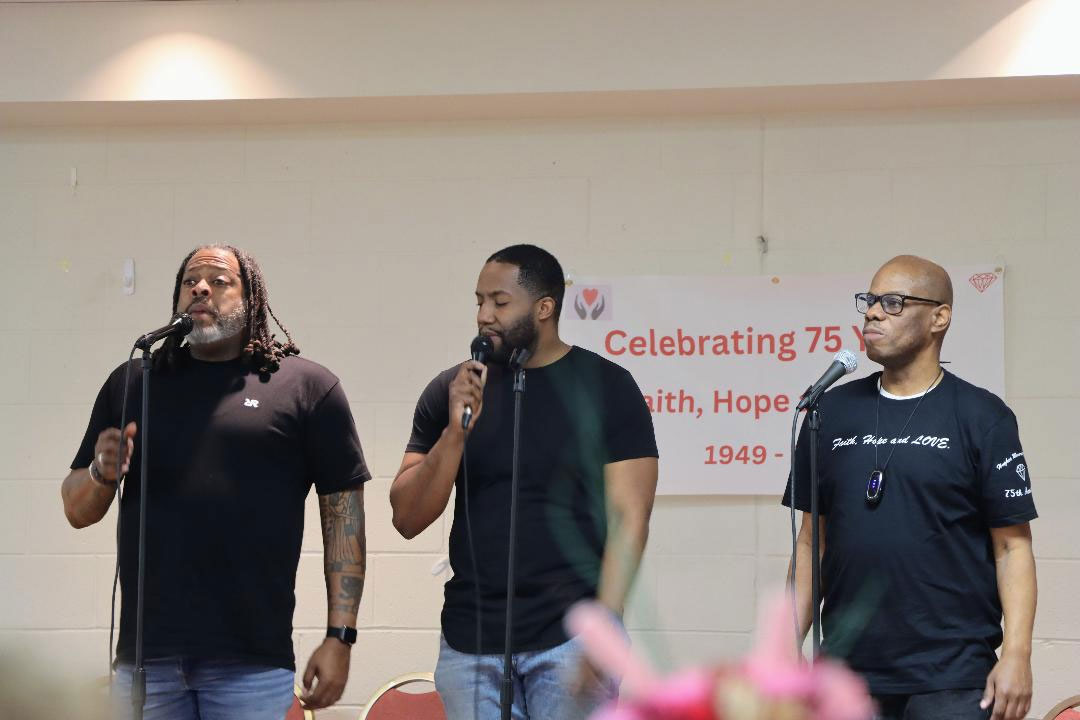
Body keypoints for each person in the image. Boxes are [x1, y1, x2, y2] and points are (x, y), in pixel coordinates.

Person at [61, 245, 370, 719]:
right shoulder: (134, 382)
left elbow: (343, 520)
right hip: (148, 660)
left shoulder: (306, 388)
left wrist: (340, 637)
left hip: (250, 661)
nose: (201, 287)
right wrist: (103, 473)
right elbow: (77, 510)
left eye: (220, 281)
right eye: (190, 280)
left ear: (252, 300)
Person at [389, 244, 659, 720]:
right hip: (470, 640)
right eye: (478, 301)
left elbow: (630, 519)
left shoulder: (608, 387)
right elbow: (407, 517)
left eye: (499, 301)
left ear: (544, 308)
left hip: (571, 637)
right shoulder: (450, 391)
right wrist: (455, 433)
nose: (484, 316)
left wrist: (605, 631)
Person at [783, 255, 1037, 720]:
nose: (874, 313)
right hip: (846, 676)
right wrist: (784, 645)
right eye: (871, 301)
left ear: (940, 317)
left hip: (952, 676)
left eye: (894, 302)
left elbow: (1012, 549)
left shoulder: (982, 416)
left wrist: (1018, 655)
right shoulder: (829, 413)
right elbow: (808, 545)